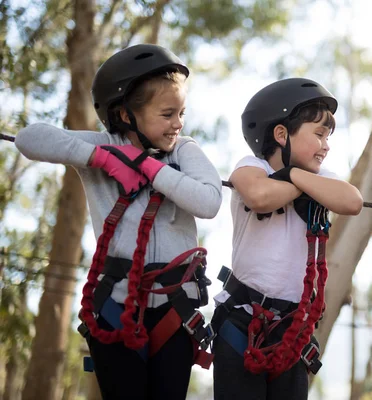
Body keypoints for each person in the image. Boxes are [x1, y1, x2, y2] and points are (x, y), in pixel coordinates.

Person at [15, 44, 222, 400]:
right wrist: (104, 157)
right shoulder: (102, 147)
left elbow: (208, 201)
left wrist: (150, 167)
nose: (178, 124)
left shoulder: (184, 151)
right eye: (167, 114)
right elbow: (28, 138)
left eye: (181, 113)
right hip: (114, 305)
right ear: (126, 115)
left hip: (175, 308)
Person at [210, 78, 363, 400]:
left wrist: (294, 175)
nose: (327, 145)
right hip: (242, 319)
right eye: (319, 134)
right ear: (281, 135)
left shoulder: (322, 178)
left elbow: (352, 201)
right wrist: (301, 183)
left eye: (328, 136)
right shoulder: (253, 166)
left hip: (293, 328)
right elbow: (259, 195)